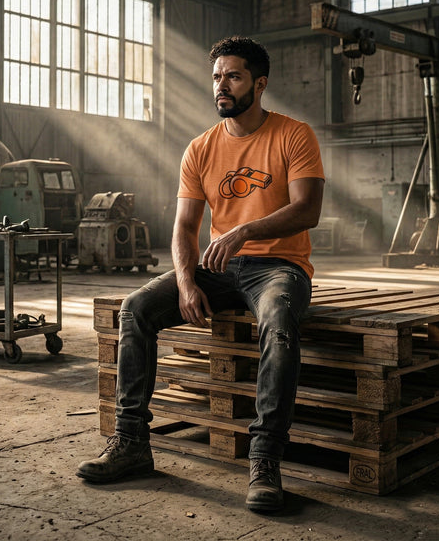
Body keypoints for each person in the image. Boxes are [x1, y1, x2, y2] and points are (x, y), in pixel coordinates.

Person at [76, 36, 325, 514]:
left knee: (278, 322)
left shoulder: (294, 135)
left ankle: (265, 460)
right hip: (216, 268)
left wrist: (243, 231)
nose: (222, 86)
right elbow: (185, 226)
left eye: (233, 76)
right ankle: (131, 445)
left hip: (278, 266)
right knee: (136, 309)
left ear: (260, 83)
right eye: (217, 77)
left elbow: (307, 209)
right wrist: (186, 281)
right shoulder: (200, 148)